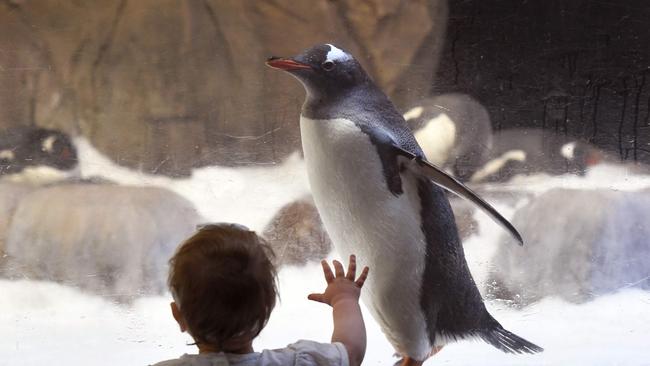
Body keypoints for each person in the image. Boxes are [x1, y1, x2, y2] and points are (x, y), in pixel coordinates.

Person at [151, 223, 370, 366]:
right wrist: (344, 299)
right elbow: (351, 352)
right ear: (268, 306)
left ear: (178, 316)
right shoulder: (295, 363)